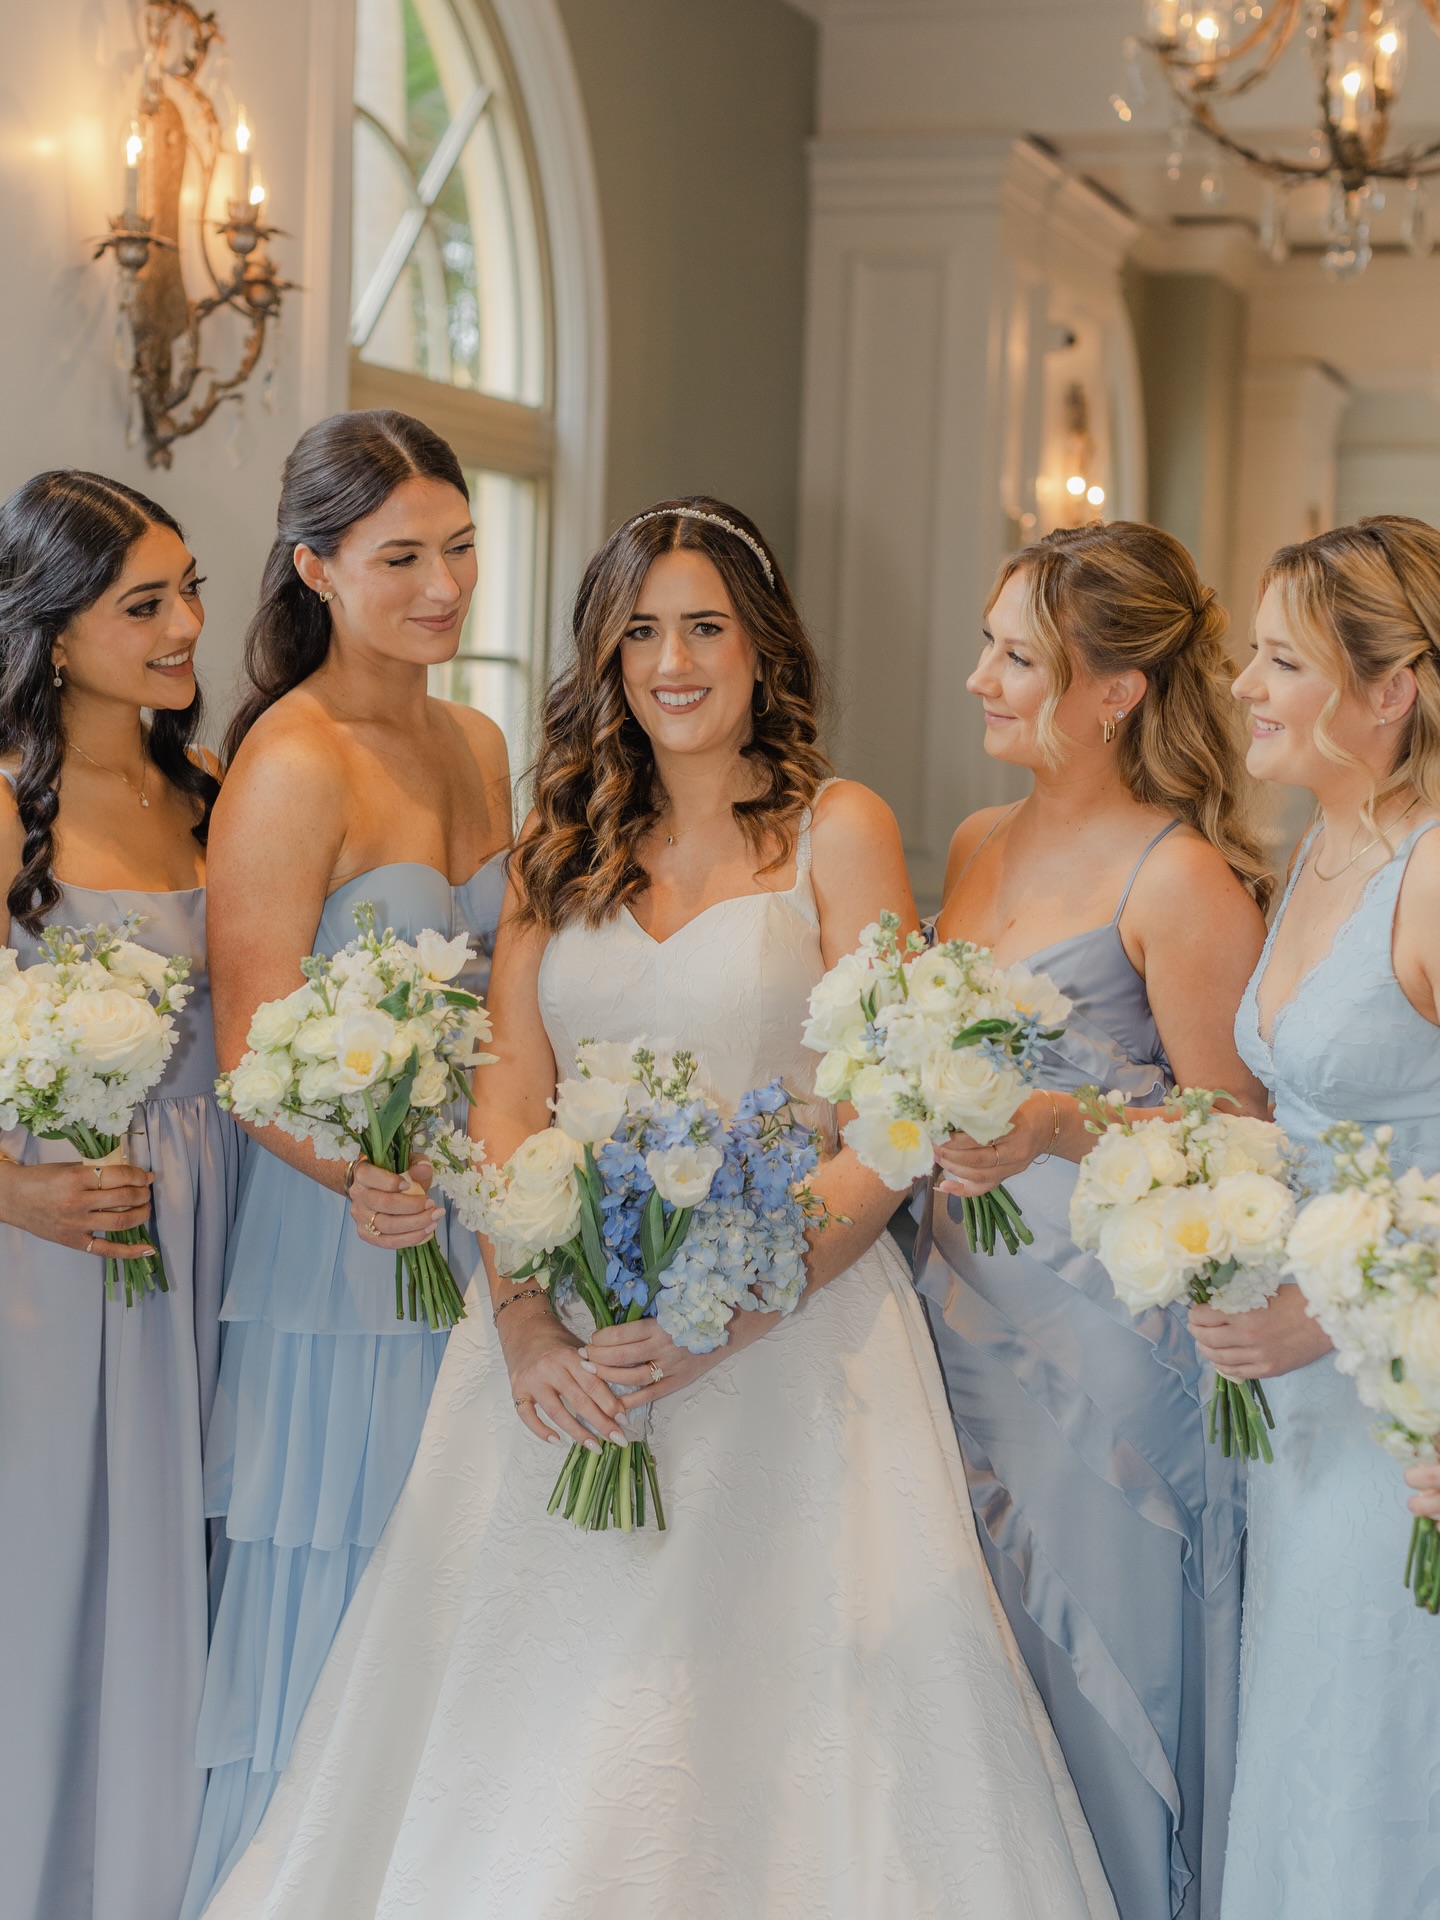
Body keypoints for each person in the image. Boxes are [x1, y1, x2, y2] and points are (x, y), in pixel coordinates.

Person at [200, 497, 1118, 1920]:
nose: (672, 661)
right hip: (565, 1330)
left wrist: (730, 1308)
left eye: (705, 626)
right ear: (605, 655)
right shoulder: (556, 837)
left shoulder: (838, 826)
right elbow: (510, 1097)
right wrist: (520, 1323)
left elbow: (892, 1109)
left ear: (763, 647)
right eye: (640, 632)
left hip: (795, 1345)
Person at [914, 522, 1272, 1920]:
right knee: (970, 1688)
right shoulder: (976, 840)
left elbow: (1241, 1142)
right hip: (948, 1320)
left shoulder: (1178, 879)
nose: (977, 679)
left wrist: (1062, 1123)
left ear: (1115, 688)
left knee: (1089, 1678)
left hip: (1105, 1360)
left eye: (1015, 656)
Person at [181, 410, 512, 1917]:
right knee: (357, 1573)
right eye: (401, 558)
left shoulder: (480, 739)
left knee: (466, 1586)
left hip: (480, 1219)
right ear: (316, 565)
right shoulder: (290, 760)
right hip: (347, 1243)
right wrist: (362, 1179)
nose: (443, 585)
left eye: (457, 547)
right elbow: (252, 1051)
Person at [1189, 515, 1440, 1920]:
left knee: (1376, 1769)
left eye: (1284, 661)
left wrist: (1326, 1305)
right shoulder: (1314, 849)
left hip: (1401, 1403)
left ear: (1385, 691)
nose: (1246, 688)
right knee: (1302, 1756)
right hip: (1298, 1420)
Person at [0, 470, 238, 1920]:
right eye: (143, 603)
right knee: (61, 1571)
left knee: (189, 1567)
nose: (187, 626)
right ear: (54, 630)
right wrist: (18, 1196)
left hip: (217, 1228)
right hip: (68, 1247)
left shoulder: (210, 793)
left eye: (191, 590)